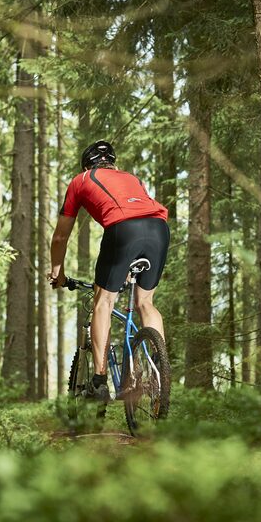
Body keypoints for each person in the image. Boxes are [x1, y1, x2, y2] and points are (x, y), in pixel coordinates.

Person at [48, 140, 170, 402]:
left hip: (123, 229)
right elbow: (141, 212)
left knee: (103, 301)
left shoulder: (80, 180)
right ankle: (160, 370)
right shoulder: (132, 178)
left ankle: (100, 381)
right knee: (146, 303)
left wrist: (57, 272)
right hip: (159, 229)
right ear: (112, 163)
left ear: (86, 164)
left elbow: (60, 238)